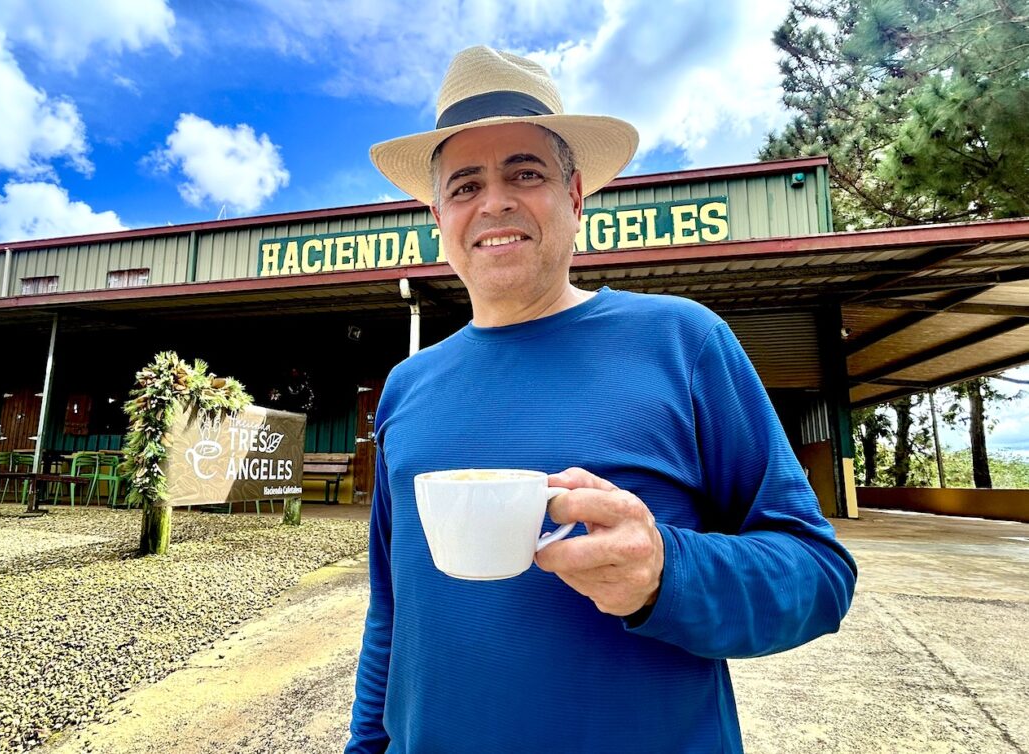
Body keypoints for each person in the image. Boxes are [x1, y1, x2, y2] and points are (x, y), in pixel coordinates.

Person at [347, 46, 857, 753]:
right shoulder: (407, 387)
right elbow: (390, 611)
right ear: (439, 216)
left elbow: (821, 576)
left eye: (525, 173)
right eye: (465, 186)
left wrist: (667, 572)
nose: (494, 202)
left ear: (576, 196)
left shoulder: (682, 343)